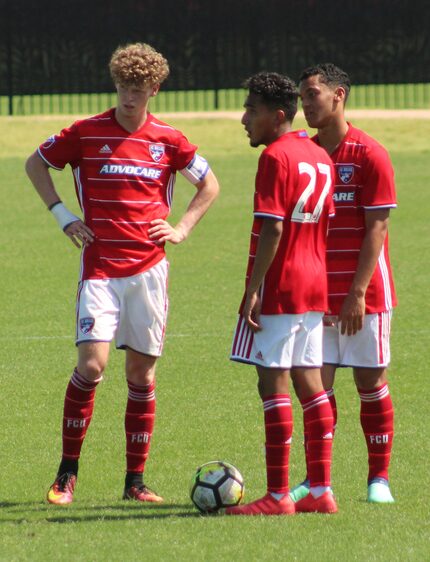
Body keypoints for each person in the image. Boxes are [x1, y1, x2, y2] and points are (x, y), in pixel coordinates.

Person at [25, 42, 219, 505]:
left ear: (154, 88)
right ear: (115, 83)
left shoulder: (170, 140)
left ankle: (135, 482)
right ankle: (66, 473)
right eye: (122, 86)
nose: (128, 96)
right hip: (100, 270)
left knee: (140, 377)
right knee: (91, 366)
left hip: (149, 272)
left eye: (137, 88)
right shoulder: (87, 132)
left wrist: (182, 227)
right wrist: (61, 214)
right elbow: (36, 163)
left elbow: (209, 184)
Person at [226, 72, 337, 516]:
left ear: (276, 116)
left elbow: (273, 226)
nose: (243, 119)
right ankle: (320, 490)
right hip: (315, 282)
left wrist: (253, 290)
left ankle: (277, 496)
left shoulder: (275, 157)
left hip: (282, 283)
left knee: (271, 382)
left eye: (251, 110)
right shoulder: (320, 155)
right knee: (311, 385)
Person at [290, 63, 397, 504]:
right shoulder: (305, 155)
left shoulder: (370, 153)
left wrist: (356, 293)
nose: (306, 104)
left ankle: (379, 479)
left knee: (370, 385)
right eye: (302, 98)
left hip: (364, 295)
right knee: (318, 389)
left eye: (313, 94)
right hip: (316, 293)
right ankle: (318, 481)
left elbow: (377, 227)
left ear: (339, 95)